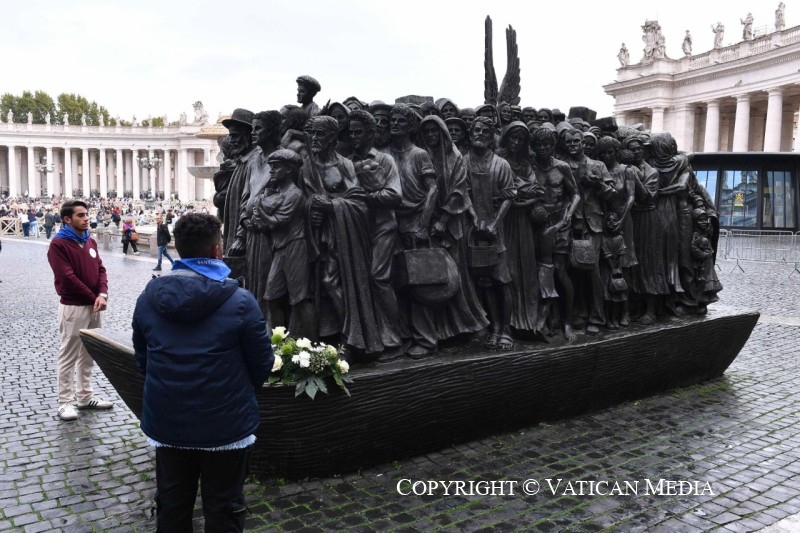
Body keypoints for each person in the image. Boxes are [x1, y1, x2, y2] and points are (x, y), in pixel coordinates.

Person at [132, 213, 273, 532]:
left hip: (168, 421)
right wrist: (239, 392)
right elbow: (261, 363)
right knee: (225, 506)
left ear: (178, 250)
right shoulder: (240, 301)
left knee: (172, 502)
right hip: (225, 422)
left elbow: (142, 359)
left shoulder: (148, 298)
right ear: (217, 252)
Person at [47, 200, 113, 421]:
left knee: (89, 354)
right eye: (81, 215)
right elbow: (67, 277)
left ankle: (85, 396)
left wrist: (102, 294)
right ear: (67, 219)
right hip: (74, 306)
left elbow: (101, 269)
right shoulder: (58, 244)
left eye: (87, 214)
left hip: (95, 305)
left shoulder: (90, 241)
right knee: (68, 355)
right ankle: (64, 402)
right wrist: (93, 296)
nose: (87, 218)